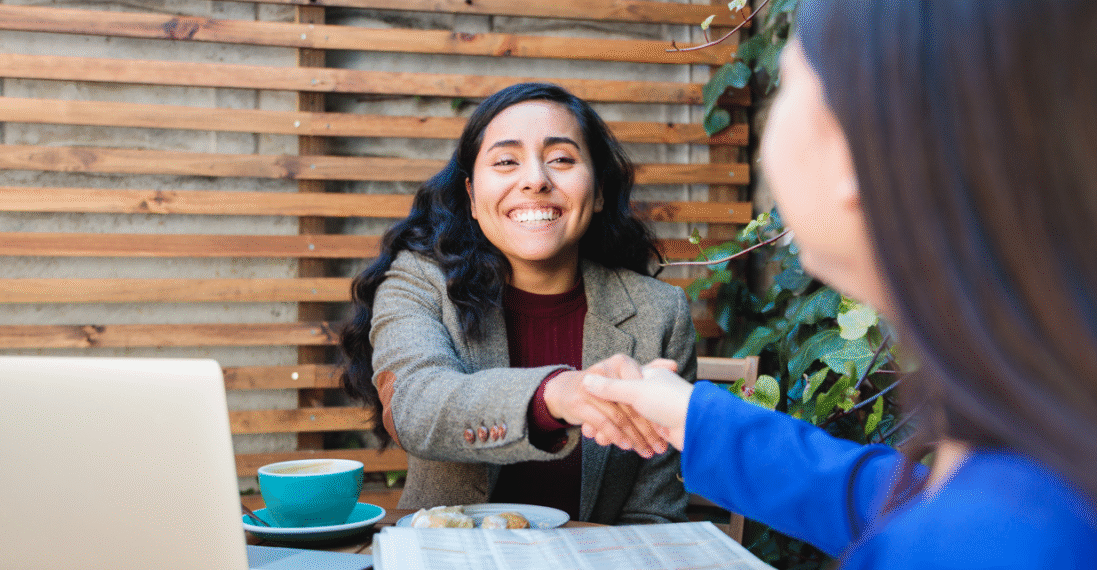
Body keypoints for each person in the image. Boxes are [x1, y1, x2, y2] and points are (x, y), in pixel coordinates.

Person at [581, 1, 1097, 566]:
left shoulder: (976, 545)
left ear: (854, 147)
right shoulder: (1036, 473)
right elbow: (899, 501)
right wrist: (693, 418)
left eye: (787, 86)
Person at [339, 82, 691, 525]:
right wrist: (556, 395)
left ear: (599, 191)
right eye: (506, 161)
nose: (536, 180)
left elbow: (654, 515)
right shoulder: (418, 281)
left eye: (562, 159)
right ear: (470, 196)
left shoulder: (661, 313)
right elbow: (415, 407)